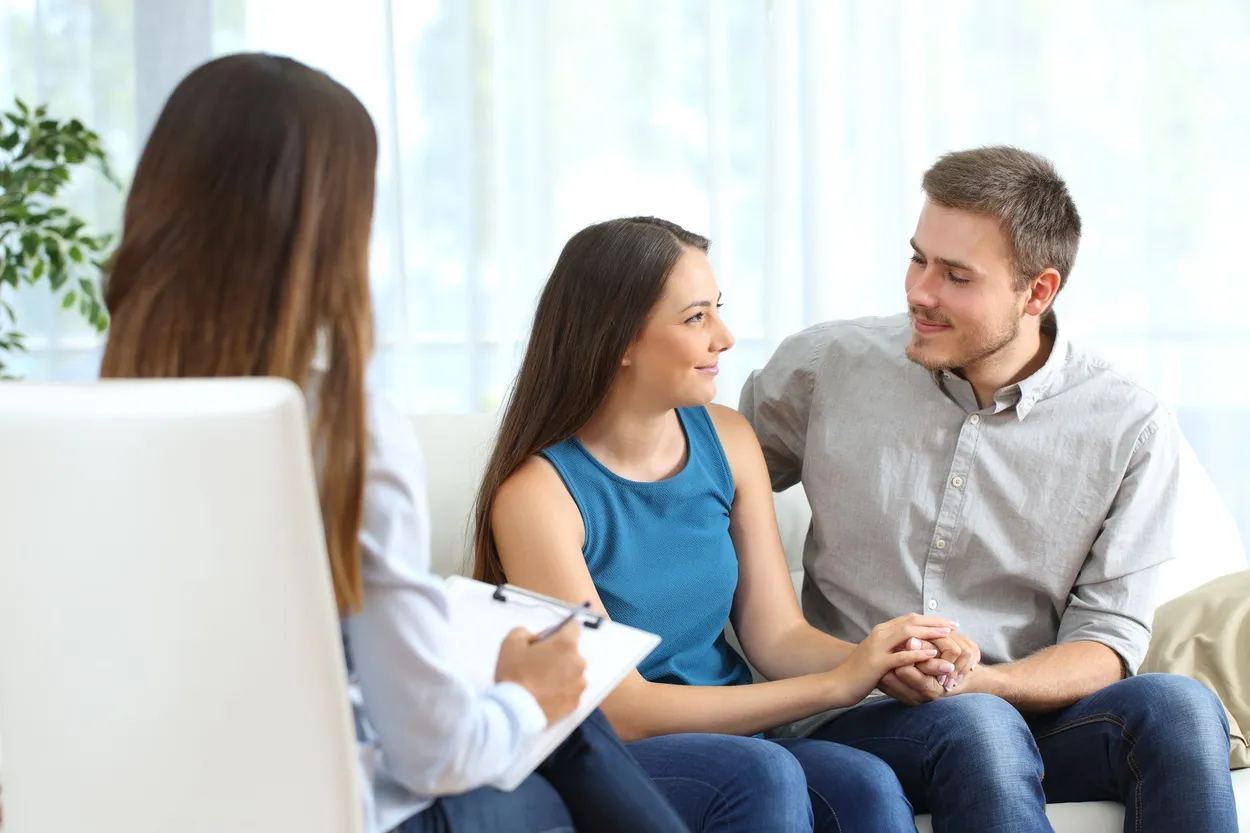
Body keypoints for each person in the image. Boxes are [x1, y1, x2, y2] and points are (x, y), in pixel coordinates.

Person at [97, 53, 690, 833]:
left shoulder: (62, 428)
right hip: (328, 811)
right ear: (333, 229)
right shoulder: (342, 431)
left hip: (129, 807)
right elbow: (431, 752)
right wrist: (524, 693)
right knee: (561, 740)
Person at [740, 145, 1238, 832]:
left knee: (1180, 708)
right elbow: (691, 491)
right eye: (918, 258)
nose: (919, 291)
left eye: (955, 276)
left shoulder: (1129, 424)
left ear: (1037, 291)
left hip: (1019, 710)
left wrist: (984, 681)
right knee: (978, 725)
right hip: (853, 716)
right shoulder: (827, 368)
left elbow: (1105, 643)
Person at [473, 215, 958, 833]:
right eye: (696, 317)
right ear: (618, 339)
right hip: (615, 755)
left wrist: (883, 660)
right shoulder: (539, 496)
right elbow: (623, 710)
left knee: (863, 781)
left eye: (718, 309)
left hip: (741, 741)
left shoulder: (727, 439)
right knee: (763, 771)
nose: (725, 338)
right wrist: (837, 685)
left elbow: (776, 636)